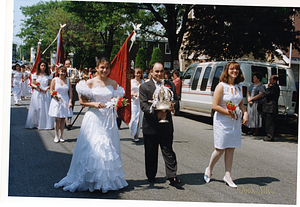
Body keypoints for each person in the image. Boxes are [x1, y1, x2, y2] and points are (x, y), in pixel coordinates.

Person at [54, 57, 128, 193]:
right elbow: (83, 102)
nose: (104, 70)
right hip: (94, 117)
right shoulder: (89, 83)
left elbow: (117, 99)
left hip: (108, 119)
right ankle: (89, 178)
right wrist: (93, 103)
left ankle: (104, 180)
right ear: (97, 67)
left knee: (107, 149)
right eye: (102, 67)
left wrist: (117, 103)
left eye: (107, 68)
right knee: (95, 147)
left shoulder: (114, 84)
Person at [203, 61, 248, 188]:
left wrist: (245, 113)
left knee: (231, 148)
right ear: (227, 71)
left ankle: (227, 175)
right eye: (232, 69)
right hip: (222, 121)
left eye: (237, 69)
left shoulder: (239, 87)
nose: (235, 71)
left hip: (235, 122)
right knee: (220, 149)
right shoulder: (221, 86)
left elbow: (240, 104)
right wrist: (229, 113)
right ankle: (209, 168)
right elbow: (215, 106)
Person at [139, 62, 181, 185]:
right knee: (151, 152)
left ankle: (172, 176)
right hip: (150, 125)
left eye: (161, 71)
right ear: (151, 72)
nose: (159, 74)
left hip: (166, 124)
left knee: (168, 150)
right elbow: (143, 105)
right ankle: (151, 176)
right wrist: (156, 114)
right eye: (156, 71)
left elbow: (176, 100)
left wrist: (173, 106)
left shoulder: (170, 84)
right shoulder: (144, 87)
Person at [25, 61, 54, 129]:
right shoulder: (35, 74)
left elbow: (50, 84)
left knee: (45, 108)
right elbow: (32, 83)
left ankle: (45, 124)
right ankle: (36, 123)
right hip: (37, 93)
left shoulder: (49, 75)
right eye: (42, 65)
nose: (43, 67)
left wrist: (47, 87)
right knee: (37, 108)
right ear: (39, 66)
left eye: (44, 66)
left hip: (45, 93)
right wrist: (37, 87)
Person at [48, 65, 73, 143]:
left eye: (64, 72)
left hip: (65, 99)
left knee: (63, 119)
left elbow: (70, 92)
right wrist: (55, 95)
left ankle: (61, 135)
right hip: (57, 100)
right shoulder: (54, 80)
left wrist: (70, 101)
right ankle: (56, 135)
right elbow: (51, 90)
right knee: (57, 118)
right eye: (62, 71)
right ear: (58, 72)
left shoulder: (68, 80)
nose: (63, 73)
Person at [262, 75, 280, 141]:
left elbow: (268, 94)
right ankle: (268, 135)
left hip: (271, 108)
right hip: (268, 108)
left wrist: (268, 88)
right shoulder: (273, 87)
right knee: (267, 122)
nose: (269, 81)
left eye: (271, 79)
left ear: (274, 81)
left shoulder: (275, 87)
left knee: (270, 123)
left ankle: (270, 136)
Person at [129, 67, 144, 142]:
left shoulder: (143, 82)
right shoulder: (131, 82)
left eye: (140, 73)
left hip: (140, 102)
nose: (138, 74)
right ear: (134, 73)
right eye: (137, 73)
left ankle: (136, 134)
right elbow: (127, 92)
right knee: (133, 118)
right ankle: (132, 131)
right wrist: (133, 94)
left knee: (139, 118)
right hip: (133, 102)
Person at [65, 60, 79, 130]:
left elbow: (78, 78)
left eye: (69, 64)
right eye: (66, 64)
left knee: (71, 105)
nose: (68, 65)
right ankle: (64, 120)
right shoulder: (63, 71)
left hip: (73, 88)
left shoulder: (75, 71)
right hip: (65, 89)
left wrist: (77, 79)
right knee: (65, 105)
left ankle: (69, 121)